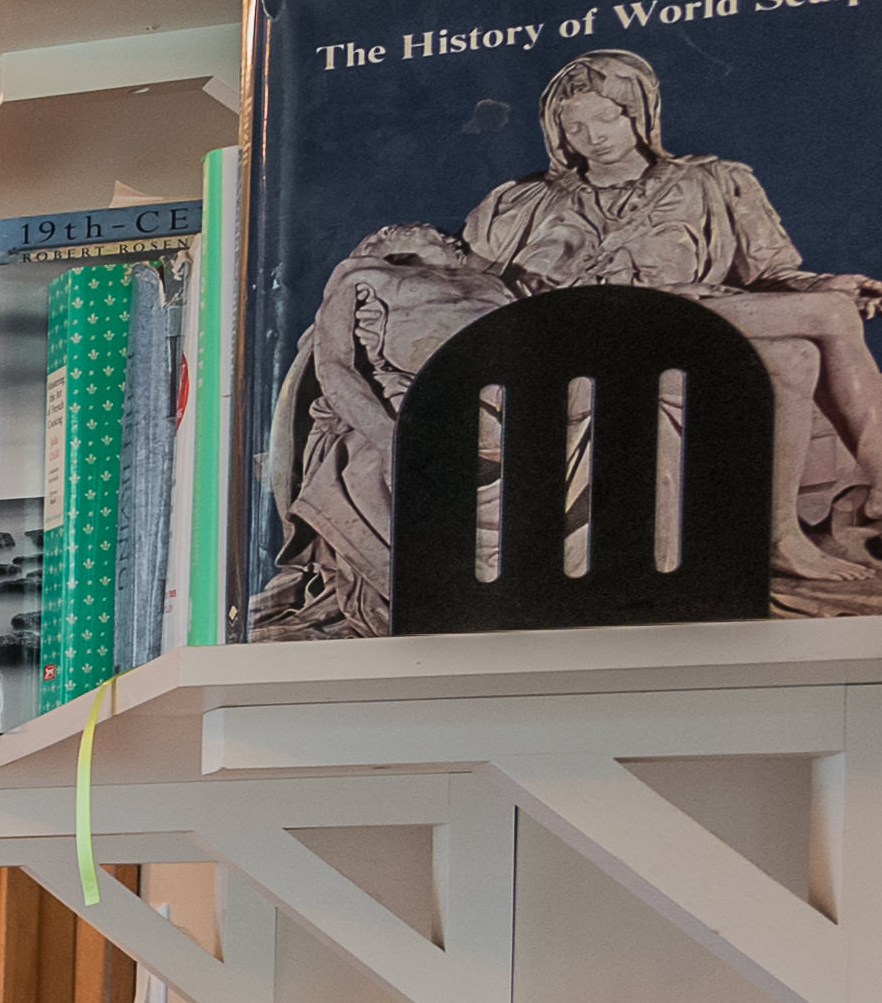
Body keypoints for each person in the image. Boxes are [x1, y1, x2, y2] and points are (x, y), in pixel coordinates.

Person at [257, 45, 882, 629]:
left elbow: (771, 273)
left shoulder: (715, 183)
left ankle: (781, 535)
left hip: (688, 319)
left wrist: (830, 281)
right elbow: (460, 280)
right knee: (829, 318)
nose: (591, 137)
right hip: (570, 336)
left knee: (797, 354)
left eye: (605, 119)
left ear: (639, 114)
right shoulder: (523, 201)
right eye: (574, 127)